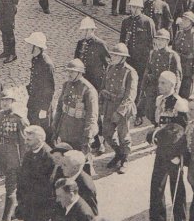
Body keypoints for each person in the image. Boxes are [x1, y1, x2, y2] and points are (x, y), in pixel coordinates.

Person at [144, 71, 188, 221]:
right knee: (157, 182)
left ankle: (180, 218)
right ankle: (157, 218)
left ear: (172, 85)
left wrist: (179, 153)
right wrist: (155, 135)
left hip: (174, 149)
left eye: (163, 83)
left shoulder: (179, 103)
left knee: (176, 184)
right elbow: (159, 124)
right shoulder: (159, 100)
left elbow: (182, 129)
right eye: (159, 82)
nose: (159, 86)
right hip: (162, 147)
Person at [15, 125, 56, 221]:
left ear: (39, 140)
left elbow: (48, 185)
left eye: (29, 139)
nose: (26, 141)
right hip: (29, 205)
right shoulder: (29, 153)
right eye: (26, 138)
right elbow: (22, 178)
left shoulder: (49, 156)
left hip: (42, 206)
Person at [0, 90, 28, 221]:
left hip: (14, 157)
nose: (4, 103)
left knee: (10, 188)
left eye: (7, 100)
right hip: (1, 155)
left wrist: (24, 162)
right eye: (2, 100)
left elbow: (24, 143)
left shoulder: (19, 119)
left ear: (13, 101)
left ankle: (6, 220)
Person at [99, 43, 138, 173]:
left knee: (123, 136)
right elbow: (103, 87)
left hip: (123, 109)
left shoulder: (130, 72)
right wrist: (100, 104)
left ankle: (125, 160)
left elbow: (130, 96)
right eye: (113, 55)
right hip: (109, 106)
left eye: (116, 55)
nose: (113, 57)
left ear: (123, 57)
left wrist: (120, 112)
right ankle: (119, 153)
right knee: (106, 132)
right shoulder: (110, 68)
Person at [74, 17, 110, 151]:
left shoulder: (100, 44)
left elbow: (108, 65)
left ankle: (100, 141)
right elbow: (76, 63)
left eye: (86, 30)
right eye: (82, 30)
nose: (83, 33)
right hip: (83, 82)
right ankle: (89, 138)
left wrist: (104, 85)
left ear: (92, 30)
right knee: (84, 110)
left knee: (96, 112)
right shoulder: (80, 44)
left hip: (96, 83)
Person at [53, 59, 100, 154]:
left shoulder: (88, 90)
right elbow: (59, 108)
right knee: (65, 156)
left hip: (79, 131)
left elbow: (92, 115)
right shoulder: (66, 85)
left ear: (79, 73)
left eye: (72, 71)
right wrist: (55, 127)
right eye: (68, 71)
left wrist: (88, 136)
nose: (69, 74)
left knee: (82, 160)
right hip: (65, 130)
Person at [137, 28, 182, 125]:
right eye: (158, 39)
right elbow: (147, 70)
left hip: (166, 88)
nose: (159, 42)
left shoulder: (172, 56)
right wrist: (143, 87)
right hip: (152, 87)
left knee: (165, 112)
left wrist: (175, 92)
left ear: (167, 41)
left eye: (162, 40)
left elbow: (178, 76)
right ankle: (155, 123)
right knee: (149, 111)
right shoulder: (153, 53)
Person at [23, 31, 55, 140]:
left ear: (36, 47)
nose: (28, 46)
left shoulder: (47, 64)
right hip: (33, 102)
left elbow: (50, 89)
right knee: (33, 127)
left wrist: (44, 109)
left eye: (30, 44)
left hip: (41, 105)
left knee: (44, 133)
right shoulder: (35, 59)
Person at [173, 11, 194, 98]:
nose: (183, 21)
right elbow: (174, 51)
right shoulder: (179, 34)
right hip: (178, 70)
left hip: (188, 71)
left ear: (191, 23)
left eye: (186, 20)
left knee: (186, 96)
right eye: (183, 19)